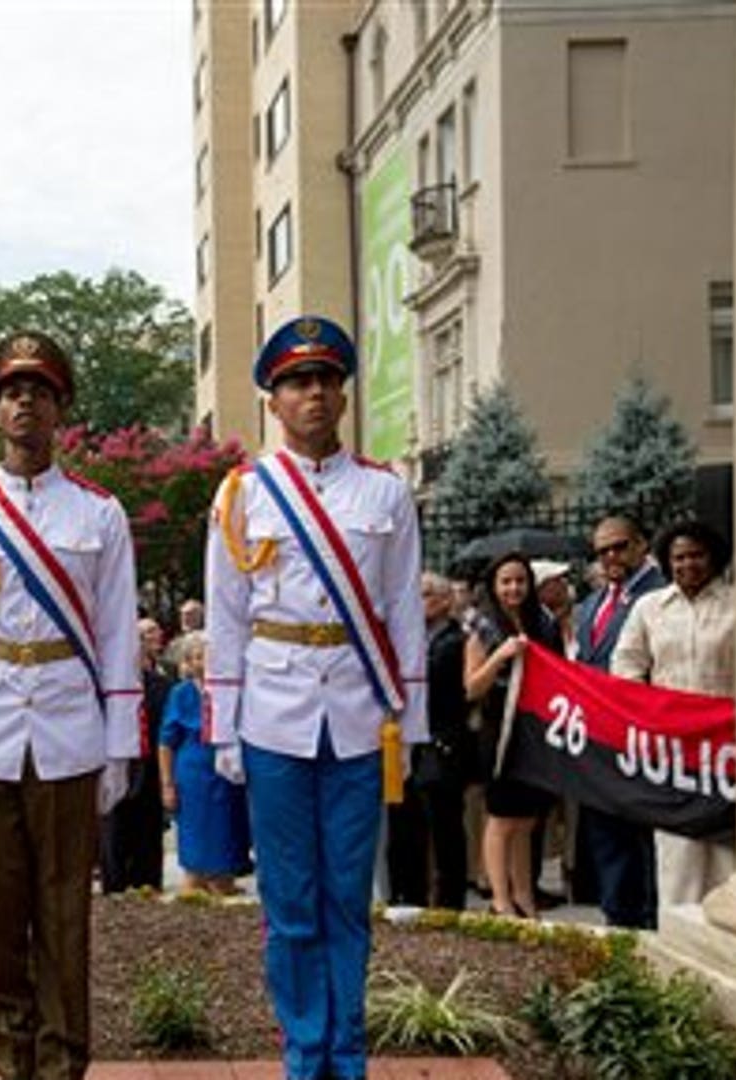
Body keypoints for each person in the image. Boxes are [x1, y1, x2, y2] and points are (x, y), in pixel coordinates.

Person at [203, 316, 426, 1080]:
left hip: (360, 717)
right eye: (299, 381)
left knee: (345, 898)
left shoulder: (385, 492)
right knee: (290, 902)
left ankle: (347, 1055)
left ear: (343, 392)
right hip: (274, 716)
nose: (315, 394)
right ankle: (305, 1054)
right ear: (274, 399)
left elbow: (401, 607)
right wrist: (224, 729)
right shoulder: (242, 495)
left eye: (327, 379)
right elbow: (226, 617)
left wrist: (412, 719)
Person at [0, 330, 141, 1080]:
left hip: (68, 727)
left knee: (64, 918)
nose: (25, 404)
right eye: (12, 392)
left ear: (59, 411)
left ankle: (63, 1066)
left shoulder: (98, 514)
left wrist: (120, 744)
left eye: (40, 392)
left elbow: (117, 634)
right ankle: (10, 1063)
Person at [610, 520, 736, 909]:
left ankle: (727, 931)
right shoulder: (650, 608)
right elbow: (625, 663)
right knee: (677, 849)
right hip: (671, 749)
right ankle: (679, 933)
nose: (688, 564)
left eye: (696, 555)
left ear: (713, 557)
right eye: (679, 557)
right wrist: (648, 709)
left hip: (727, 748)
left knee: (727, 847)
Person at [574, 515, 666, 928]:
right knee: (607, 833)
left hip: (644, 738)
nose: (610, 556)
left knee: (642, 838)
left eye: (620, 546)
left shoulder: (661, 595)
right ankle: (619, 919)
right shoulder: (592, 604)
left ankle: (648, 922)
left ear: (641, 545)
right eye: (602, 550)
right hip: (601, 739)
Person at [463, 553, 563, 918]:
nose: (514, 588)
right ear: (494, 586)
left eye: (520, 580)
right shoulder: (483, 627)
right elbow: (472, 688)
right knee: (501, 817)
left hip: (534, 730)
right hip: (499, 731)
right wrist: (500, 657)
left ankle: (524, 896)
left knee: (527, 819)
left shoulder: (543, 623)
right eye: (506, 581)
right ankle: (500, 899)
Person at [393, 571, 472, 909]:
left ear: (444, 600)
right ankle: (410, 892)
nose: (419, 600)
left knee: (445, 825)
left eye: (426, 594)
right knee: (406, 823)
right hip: (410, 741)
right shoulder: (411, 638)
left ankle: (450, 898)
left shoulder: (456, 640)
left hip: (443, 741)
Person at [158, 637, 251, 894]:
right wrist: (167, 784)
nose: (206, 662)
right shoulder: (181, 693)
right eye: (199, 657)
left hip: (228, 770)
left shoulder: (232, 690)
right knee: (197, 829)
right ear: (188, 663)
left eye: (209, 655)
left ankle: (224, 881)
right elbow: (166, 742)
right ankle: (194, 884)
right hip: (193, 772)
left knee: (228, 827)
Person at [100, 618, 170, 894]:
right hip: (118, 767)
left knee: (149, 836)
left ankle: (149, 888)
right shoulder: (106, 688)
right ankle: (114, 891)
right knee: (114, 837)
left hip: (150, 771)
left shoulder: (162, 686)